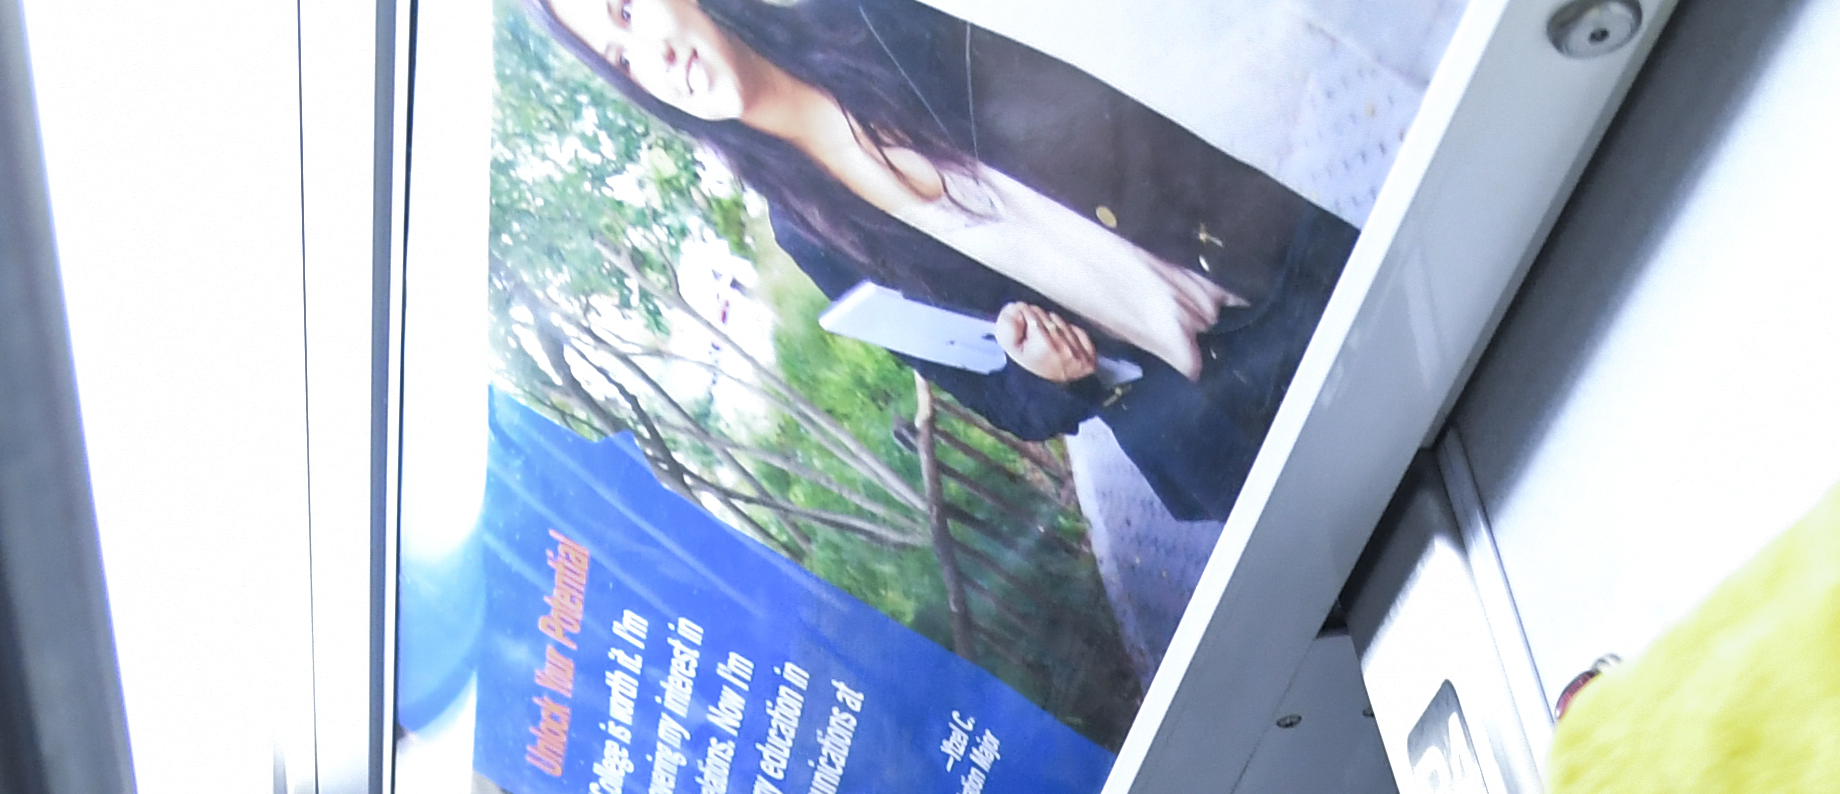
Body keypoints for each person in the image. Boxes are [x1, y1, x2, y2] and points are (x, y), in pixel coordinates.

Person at [530, 0, 1353, 523]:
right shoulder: (811, 237)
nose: (650, 58)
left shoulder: (877, 21)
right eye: (618, 59)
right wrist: (1045, 371)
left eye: (627, 11)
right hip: (1218, 431)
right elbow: (1006, 400)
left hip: (1283, 279)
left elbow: (1118, 91)